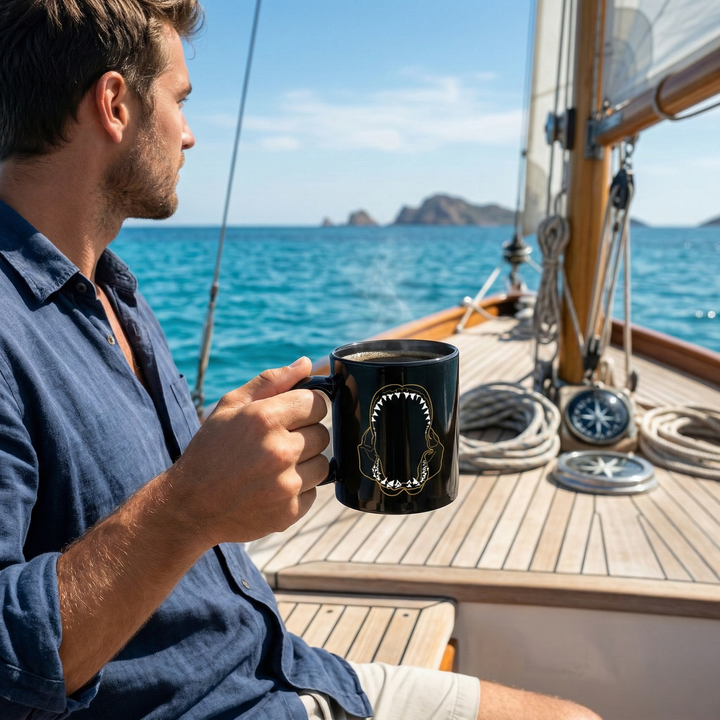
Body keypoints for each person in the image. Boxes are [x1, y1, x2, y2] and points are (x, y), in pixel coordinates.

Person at [0, 1, 602, 718]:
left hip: (289, 670)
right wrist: (187, 507)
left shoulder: (111, 291)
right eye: (180, 102)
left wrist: (225, 472)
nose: (189, 136)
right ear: (116, 103)